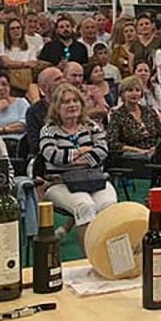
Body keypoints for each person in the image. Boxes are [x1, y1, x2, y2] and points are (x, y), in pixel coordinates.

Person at [38, 83, 117, 249]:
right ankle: (90, 259)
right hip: (60, 183)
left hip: (94, 179)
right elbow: (53, 156)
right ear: (57, 107)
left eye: (75, 101)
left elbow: (102, 152)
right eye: (66, 102)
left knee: (108, 206)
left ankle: (109, 257)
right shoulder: (49, 130)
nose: (72, 105)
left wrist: (71, 159)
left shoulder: (91, 126)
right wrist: (81, 151)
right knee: (85, 206)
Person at [107, 75, 161, 164]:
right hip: (132, 156)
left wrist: (156, 148)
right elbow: (113, 143)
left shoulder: (150, 112)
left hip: (155, 152)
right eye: (130, 90)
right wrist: (138, 151)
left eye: (137, 90)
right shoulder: (117, 115)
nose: (134, 93)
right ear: (122, 94)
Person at [0, 17, 41, 99]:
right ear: (7, 32)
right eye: (12, 29)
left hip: (27, 80)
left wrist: (15, 64)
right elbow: (6, 63)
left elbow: (33, 64)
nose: (16, 30)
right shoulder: (0, 45)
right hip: (10, 81)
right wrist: (24, 64)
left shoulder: (30, 47)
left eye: (18, 28)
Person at [26, 66, 65, 160]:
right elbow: (35, 145)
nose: (63, 81)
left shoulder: (74, 105)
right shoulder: (34, 111)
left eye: (63, 77)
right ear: (44, 87)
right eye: (57, 79)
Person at [0, 71, 29, 140]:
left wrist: (2, 129)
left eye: (4, 84)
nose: (1, 88)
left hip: (17, 142)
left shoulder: (21, 102)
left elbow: (25, 124)